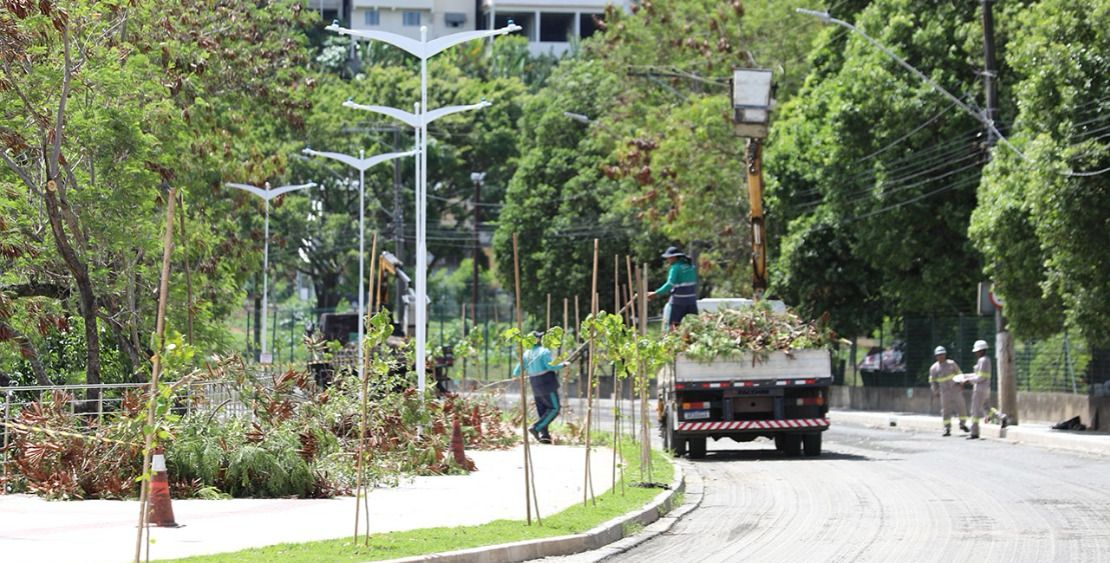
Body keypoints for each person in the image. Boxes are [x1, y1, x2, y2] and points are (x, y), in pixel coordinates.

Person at [512, 331, 566, 444]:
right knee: (554, 408)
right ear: (537, 340)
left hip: (534, 384)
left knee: (543, 410)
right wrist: (564, 364)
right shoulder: (544, 351)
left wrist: (516, 375)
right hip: (547, 383)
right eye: (540, 337)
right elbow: (551, 366)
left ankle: (545, 436)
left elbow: (517, 371)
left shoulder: (526, 354)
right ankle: (536, 428)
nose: (541, 339)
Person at [648, 246, 698, 329]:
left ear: (674, 257)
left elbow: (670, 284)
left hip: (679, 303)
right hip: (691, 301)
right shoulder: (690, 266)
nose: (668, 260)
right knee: (694, 327)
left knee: (674, 327)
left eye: (668, 258)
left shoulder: (675, 268)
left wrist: (656, 293)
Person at [929, 346, 969, 436]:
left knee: (961, 407)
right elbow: (933, 381)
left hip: (955, 390)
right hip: (944, 392)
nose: (941, 356)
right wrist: (935, 391)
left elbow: (959, 373)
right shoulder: (934, 368)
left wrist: (962, 383)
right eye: (939, 355)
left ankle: (963, 424)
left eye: (942, 354)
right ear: (936, 356)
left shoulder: (951, 364)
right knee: (946, 411)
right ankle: (947, 428)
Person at [965, 339, 992, 439]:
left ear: (981, 350)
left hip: (980, 389)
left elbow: (980, 377)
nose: (976, 353)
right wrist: (966, 376)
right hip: (986, 388)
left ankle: (974, 432)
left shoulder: (982, 360)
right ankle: (1002, 417)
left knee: (974, 411)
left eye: (977, 351)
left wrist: (968, 381)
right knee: (987, 408)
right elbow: (978, 375)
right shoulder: (987, 360)